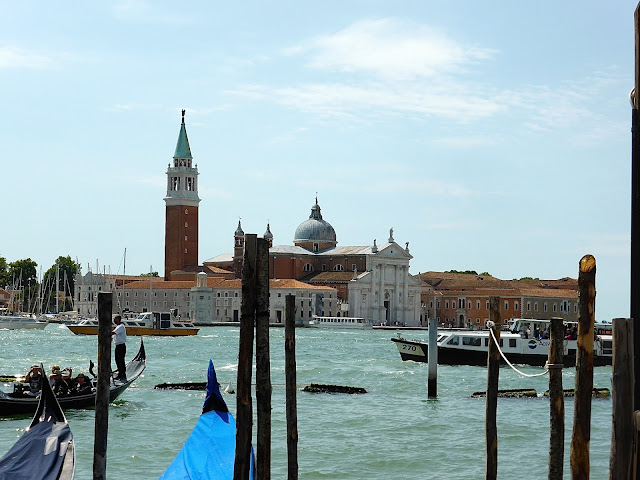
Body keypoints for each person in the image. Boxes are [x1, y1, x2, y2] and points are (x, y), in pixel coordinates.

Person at [112, 315, 127, 381]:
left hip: (121, 346)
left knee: (120, 360)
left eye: (115, 319)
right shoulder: (118, 326)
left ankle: (122, 374)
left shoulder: (121, 326)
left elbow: (113, 333)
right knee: (117, 360)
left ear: (118, 319)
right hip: (118, 346)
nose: (114, 320)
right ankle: (120, 373)